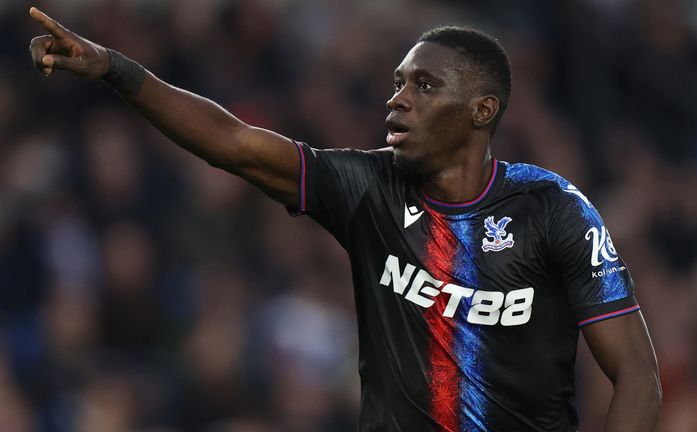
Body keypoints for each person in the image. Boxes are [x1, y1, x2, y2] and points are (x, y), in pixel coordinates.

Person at [28, 6, 661, 432]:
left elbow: (636, 372)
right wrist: (116, 68)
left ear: (481, 110)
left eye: (424, 85)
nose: (398, 99)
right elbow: (234, 142)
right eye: (397, 82)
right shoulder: (367, 187)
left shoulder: (553, 209)